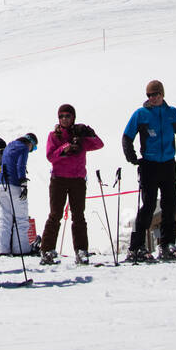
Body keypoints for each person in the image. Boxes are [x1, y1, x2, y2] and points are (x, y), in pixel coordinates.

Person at [122, 79, 176, 263]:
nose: (152, 98)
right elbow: (126, 137)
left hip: (168, 164)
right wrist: (132, 158)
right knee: (148, 206)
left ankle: (166, 245)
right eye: (149, 95)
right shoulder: (141, 114)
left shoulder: (172, 113)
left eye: (155, 94)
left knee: (170, 204)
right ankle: (136, 247)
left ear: (162, 94)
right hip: (149, 165)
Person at [40, 104, 104, 265]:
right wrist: (64, 149)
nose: (64, 119)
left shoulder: (80, 136)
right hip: (59, 180)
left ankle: (81, 251)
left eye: (67, 116)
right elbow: (50, 156)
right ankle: (47, 250)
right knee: (55, 215)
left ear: (73, 117)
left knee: (79, 216)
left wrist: (90, 133)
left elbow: (99, 144)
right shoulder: (53, 135)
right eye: (61, 116)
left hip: (77, 180)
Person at [0, 132, 38, 256]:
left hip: (1, 185)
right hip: (15, 186)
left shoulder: (9, 145)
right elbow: (21, 165)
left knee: (4, 218)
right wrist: (23, 183)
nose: (31, 150)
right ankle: (21, 249)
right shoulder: (24, 147)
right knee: (21, 219)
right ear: (30, 143)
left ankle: (2, 249)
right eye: (33, 148)